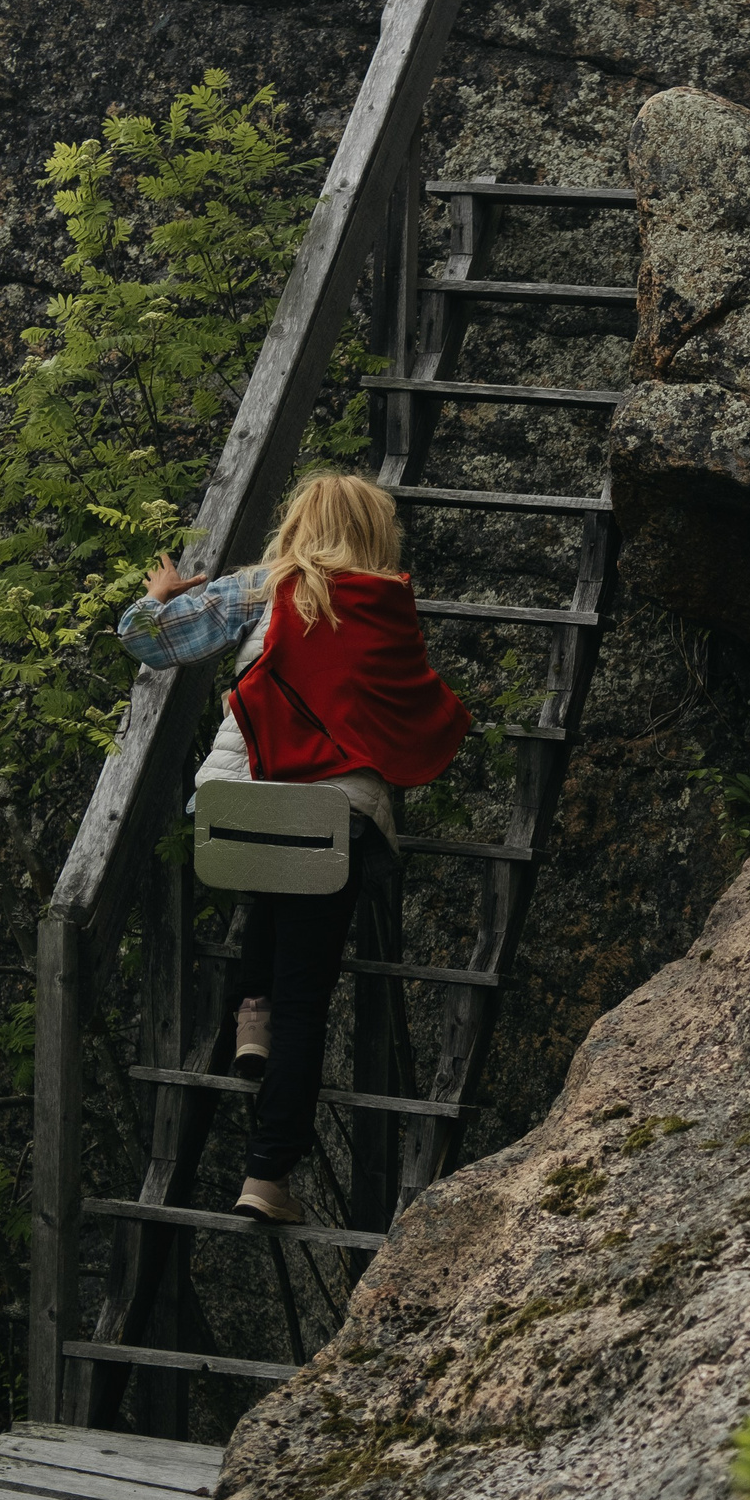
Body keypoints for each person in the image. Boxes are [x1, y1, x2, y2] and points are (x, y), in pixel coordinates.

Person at [118, 472, 469, 1225]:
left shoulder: (258, 589)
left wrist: (159, 598)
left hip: (236, 801)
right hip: (335, 812)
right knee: (305, 1001)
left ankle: (251, 1011)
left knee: (272, 884)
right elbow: (422, 708)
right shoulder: (389, 606)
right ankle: (267, 1176)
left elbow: (146, 641)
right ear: (376, 531)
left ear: (298, 523)